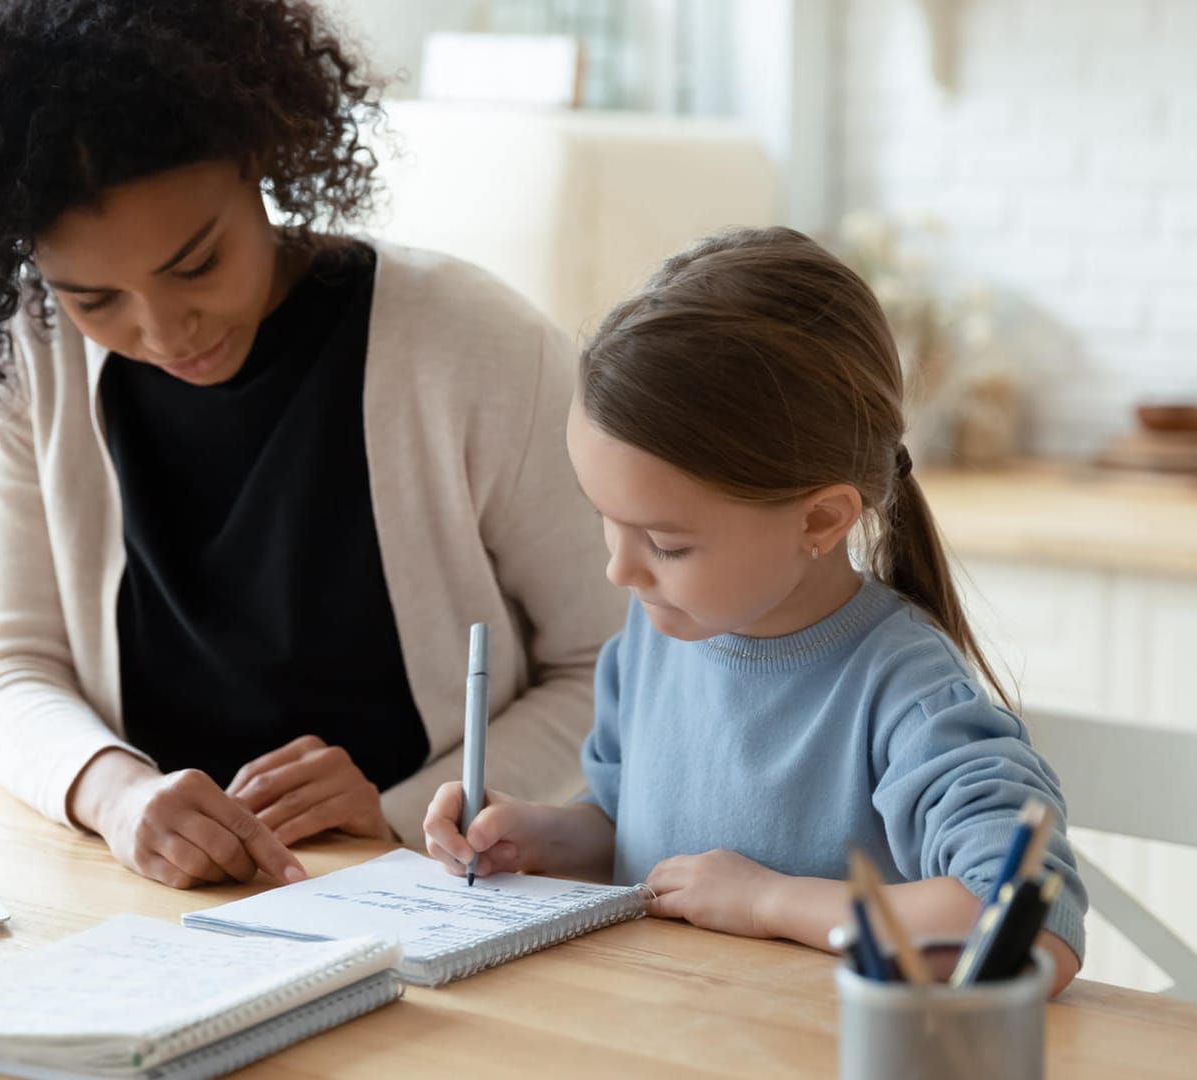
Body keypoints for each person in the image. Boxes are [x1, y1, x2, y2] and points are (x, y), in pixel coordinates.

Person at [0, 0, 621, 890]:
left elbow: (611, 669)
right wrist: (118, 798)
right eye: (95, 300)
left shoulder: (476, 347)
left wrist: (404, 812)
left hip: (437, 889)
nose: (163, 329)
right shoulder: (36, 356)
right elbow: (14, 664)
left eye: (196, 265)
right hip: (152, 895)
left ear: (260, 157)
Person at [423, 227, 1086, 995]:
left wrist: (769, 899)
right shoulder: (658, 631)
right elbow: (638, 839)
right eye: (606, 520)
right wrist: (540, 838)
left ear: (819, 521)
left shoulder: (907, 691)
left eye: (667, 544)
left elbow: (1032, 926)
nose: (619, 568)